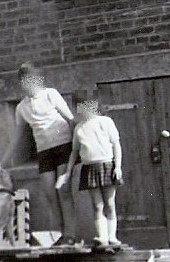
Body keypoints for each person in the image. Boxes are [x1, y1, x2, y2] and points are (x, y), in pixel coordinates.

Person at [1, 62, 78, 245]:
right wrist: (2, 162)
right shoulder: (21, 108)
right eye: (22, 82)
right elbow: (17, 138)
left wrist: (78, 147)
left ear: (37, 80)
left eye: (29, 80)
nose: (25, 85)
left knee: (64, 191)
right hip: (44, 151)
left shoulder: (50, 94)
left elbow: (71, 119)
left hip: (63, 145)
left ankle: (71, 235)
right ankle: (58, 235)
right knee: (50, 193)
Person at [56, 89, 123, 247]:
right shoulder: (79, 128)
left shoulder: (105, 122)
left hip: (107, 166)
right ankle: (102, 237)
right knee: (97, 205)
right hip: (90, 169)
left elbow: (116, 145)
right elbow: (74, 152)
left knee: (109, 203)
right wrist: (68, 171)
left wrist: (117, 166)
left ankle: (112, 237)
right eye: (80, 107)